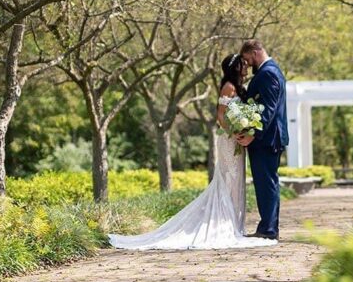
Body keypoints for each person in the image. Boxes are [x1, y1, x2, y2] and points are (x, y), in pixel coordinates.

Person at [108, 53, 273, 251]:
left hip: (237, 142)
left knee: (237, 181)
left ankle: (235, 225)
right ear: (235, 68)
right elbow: (220, 117)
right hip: (229, 141)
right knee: (230, 179)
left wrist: (245, 128)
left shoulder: (240, 89)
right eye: (243, 66)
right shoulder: (228, 87)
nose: (246, 69)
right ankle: (224, 224)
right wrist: (235, 131)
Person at [236, 39, 289, 241]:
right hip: (267, 138)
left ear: (256, 52)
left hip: (267, 139)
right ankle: (268, 228)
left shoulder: (268, 73)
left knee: (266, 183)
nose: (247, 64)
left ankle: (268, 230)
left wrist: (253, 134)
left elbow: (268, 108)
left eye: (247, 59)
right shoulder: (269, 71)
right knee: (266, 183)